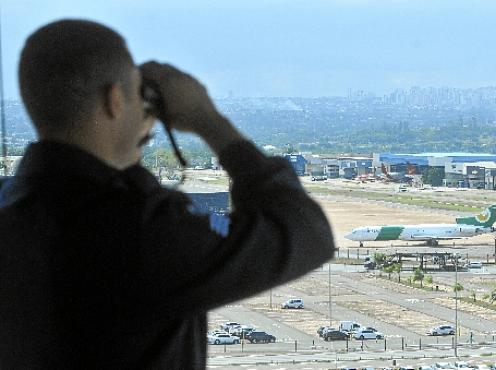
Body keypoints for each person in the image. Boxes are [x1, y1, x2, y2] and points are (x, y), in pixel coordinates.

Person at [0, 19, 335, 369]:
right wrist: (209, 120)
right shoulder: (141, 233)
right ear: (115, 100)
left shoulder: (12, 211)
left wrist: (124, 147)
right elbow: (304, 230)